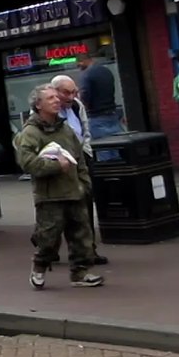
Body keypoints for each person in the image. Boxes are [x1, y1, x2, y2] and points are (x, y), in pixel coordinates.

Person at [14, 84, 104, 289]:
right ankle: (39, 267)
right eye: (51, 98)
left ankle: (80, 273)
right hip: (50, 196)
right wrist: (56, 166)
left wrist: (84, 182)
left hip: (74, 191)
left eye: (57, 97)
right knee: (48, 238)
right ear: (38, 105)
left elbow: (79, 156)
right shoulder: (30, 132)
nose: (57, 101)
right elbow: (27, 163)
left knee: (82, 235)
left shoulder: (65, 129)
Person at [50, 74, 108, 266]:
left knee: (85, 205)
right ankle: (48, 248)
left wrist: (87, 153)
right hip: (59, 163)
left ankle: (88, 250)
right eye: (66, 92)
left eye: (74, 92)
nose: (71, 96)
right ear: (55, 92)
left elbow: (85, 130)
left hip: (81, 160)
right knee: (58, 212)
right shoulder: (47, 110)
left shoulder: (76, 105)